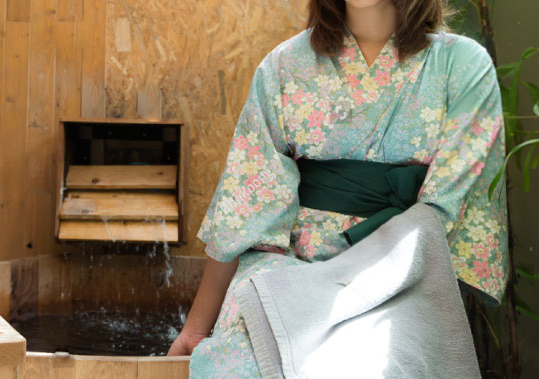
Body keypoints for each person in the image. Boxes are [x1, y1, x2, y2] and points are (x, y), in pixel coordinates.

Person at [167, 0, 509, 377]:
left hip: (401, 272)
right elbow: (246, 200)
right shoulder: (284, 65)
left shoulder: (463, 66)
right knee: (244, 361)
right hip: (290, 266)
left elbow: (445, 209)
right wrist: (197, 328)